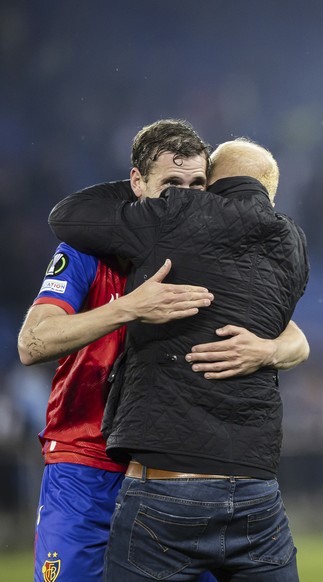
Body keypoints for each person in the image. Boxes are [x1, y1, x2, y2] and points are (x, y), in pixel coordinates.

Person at [19, 119, 308, 582]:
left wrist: (269, 350)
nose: (187, 196)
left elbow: (296, 336)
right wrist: (128, 308)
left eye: (198, 185)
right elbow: (32, 343)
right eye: (172, 184)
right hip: (86, 460)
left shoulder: (204, 249)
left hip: (170, 468)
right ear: (137, 183)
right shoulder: (85, 253)